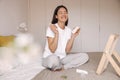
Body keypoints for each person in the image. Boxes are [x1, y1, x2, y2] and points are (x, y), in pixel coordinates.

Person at [42, 5, 89, 71]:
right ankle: (57, 65)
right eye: (60, 13)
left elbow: (67, 50)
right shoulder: (51, 27)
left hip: (62, 58)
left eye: (65, 12)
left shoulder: (68, 30)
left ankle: (63, 67)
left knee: (85, 56)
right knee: (53, 59)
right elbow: (52, 50)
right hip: (50, 57)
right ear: (56, 16)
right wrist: (56, 33)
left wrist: (73, 36)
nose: (63, 14)